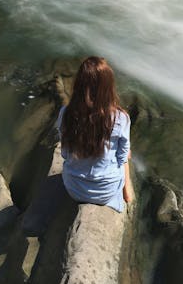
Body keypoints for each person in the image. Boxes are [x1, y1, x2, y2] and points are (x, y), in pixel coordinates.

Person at [56, 56, 133, 213]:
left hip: (74, 189)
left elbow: (64, 154)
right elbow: (121, 157)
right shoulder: (121, 118)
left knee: (122, 153)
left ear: (79, 85)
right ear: (109, 87)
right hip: (106, 192)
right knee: (125, 155)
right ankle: (127, 191)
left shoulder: (66, 113)